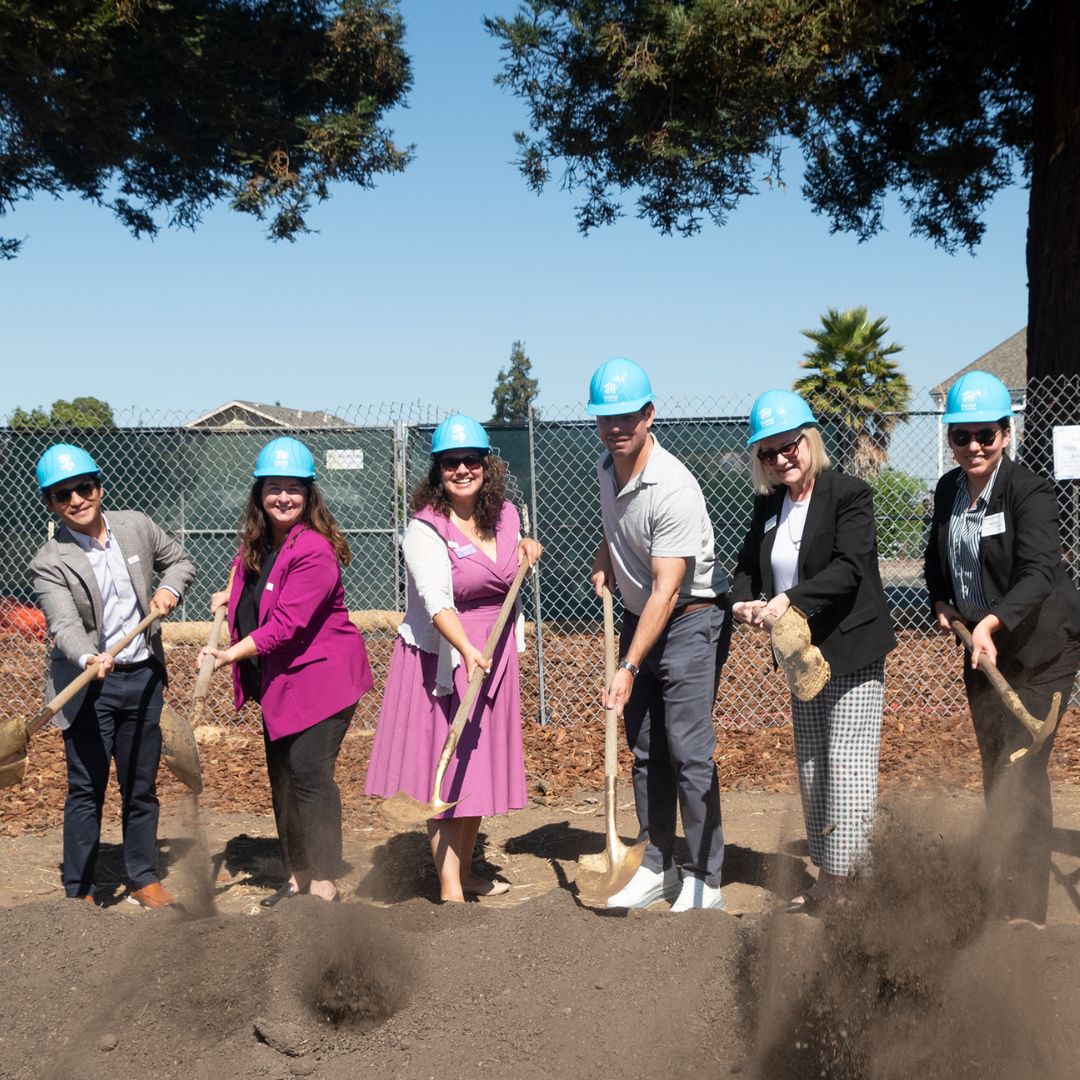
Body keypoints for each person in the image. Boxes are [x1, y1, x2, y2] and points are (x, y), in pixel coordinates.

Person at [364, 414, 542, 903]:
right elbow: (437, 599)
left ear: (486, 465)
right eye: (450, 462)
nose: (461, 469)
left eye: (470, 460)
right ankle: (449, 891)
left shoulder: (507, 514)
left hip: (495, 648)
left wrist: (527, 549)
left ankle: (463, 871)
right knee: (445, 767)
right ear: (437, 469)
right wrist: (466, 649)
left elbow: (508, 565)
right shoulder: (425, 529)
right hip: (443, 654)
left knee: (475, 766)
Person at [924, 370, 1080, 927]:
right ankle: (1006, 887)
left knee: (1023, 770)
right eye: (961, 435)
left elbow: (1040, 572)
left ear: (1006, 433)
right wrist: (942, 600)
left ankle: (1026, 913)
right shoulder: (947, 489)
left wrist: (989, 621)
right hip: (983, 651)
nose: (973, 447)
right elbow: (935, 558)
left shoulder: (1028, 492)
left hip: (1039, 651)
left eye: (985, 435)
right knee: (996, 766)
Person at [731, 391, 896, 913]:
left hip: (851, 649)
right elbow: (745, 571)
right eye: (769, 452)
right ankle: (830, 879)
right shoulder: (768, 505)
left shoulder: (849, 494)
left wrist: (788, 600)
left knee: (847, 764)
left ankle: (848, 886)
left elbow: (850, 569)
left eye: (791, 445)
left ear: (811, 441)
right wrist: (742, 603)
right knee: (813, 765)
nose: (782, 458)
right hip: (800, 657)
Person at [200, 437, 373, 905]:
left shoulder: (313, 550)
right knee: (282, 778)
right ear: (258, 494)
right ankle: (297, 875)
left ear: (309, 494)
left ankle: (323, 883)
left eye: (293, 488)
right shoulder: (257, 545)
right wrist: (229, 597)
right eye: (273, 487)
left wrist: (230, 654)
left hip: (323, 681)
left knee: (310, 776)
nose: (283, 497)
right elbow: (246, 579)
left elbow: (287, 623)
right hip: (281, 685)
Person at [587, 358, 729, 911]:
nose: (616, 426)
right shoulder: (606, 467)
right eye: (606, 417)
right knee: (646, 748)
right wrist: (605, 557)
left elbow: (669, 590)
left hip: (690, 618)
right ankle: (656, 863)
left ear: (649, 415)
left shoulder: (673, 487)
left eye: (627, 416)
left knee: (689, 750)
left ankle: (704, 878)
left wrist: (626, 667)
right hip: (639, 613)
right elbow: (618, 527)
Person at [30, 443, 195, 908]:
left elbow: (180, 561)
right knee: (86, 789)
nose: (77, 500)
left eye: (84, 488)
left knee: (139, 785)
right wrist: (88, 658)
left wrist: (167, 588)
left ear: (99, 487)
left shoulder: (135, 527)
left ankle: (143, 877)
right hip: (90, 687)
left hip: (142, 677)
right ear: (51, 504)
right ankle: (78, 890)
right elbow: (62, 624)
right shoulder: (50, 560)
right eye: (63, 495)